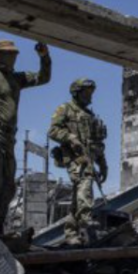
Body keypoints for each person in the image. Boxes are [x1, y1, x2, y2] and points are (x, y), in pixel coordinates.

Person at [0, 39, 51, 233]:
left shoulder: (16, 78)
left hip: (9, 138)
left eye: (14, 54)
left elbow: (43, 78)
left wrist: (44, 57)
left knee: (9, 186)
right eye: (9, 54)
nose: (13, 57)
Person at [48, 78, 108, 245]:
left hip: (90, 158)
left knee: (77, 195)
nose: (90, 96)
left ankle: (71, 234)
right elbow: (53, 131)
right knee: (85, 181)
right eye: (86, 92)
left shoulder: (90, 116)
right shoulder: (65, 109)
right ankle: (85, 219)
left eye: (91, 92)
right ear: (76, 93)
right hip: (75, 158)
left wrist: (103, 164)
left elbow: (97, 143)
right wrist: (70, 137)